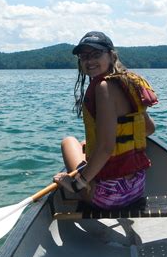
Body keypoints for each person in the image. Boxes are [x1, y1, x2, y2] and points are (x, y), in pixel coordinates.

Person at [53, 31, 158, 209]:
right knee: (83, 145)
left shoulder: (103, 88)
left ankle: (81, 183)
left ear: (111, 55)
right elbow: (149, 129)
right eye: (84, 56)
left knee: (68, 142)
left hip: (109, 196)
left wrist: (77, 185)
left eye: (96, 54)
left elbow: (106, 148)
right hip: (136, 189)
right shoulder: (128, 83)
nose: (89, 60)